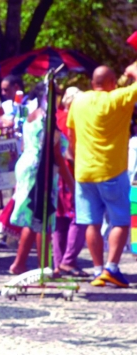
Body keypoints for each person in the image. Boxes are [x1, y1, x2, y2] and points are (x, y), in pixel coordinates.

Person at [68, 64, 137, 288]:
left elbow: (71, 135)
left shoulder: (78, 101)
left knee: (91, 222)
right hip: (112, 171)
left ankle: (98, 270)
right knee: (121, 221)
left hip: (84, 171)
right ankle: (112, 268)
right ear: (110, 84)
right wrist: (131, 71)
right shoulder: (118, 98)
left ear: (92, 83)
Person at [8, 102, 74, 275]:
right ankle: (44, 268)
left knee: (34, 216)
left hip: (27, 165)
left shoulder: (31, 116)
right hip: (41, 170)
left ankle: (20, 263)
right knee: (43, 217)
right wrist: (73, 186)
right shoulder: (47, 120)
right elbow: (57, 156)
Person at [53, 87, 87, 277]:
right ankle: (68, 261)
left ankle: (60, 263)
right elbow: (72, 151)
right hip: (69, 172)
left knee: (59, 220)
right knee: (78, 216)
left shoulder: (55, 117)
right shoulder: (71, 120)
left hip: (56, 173)